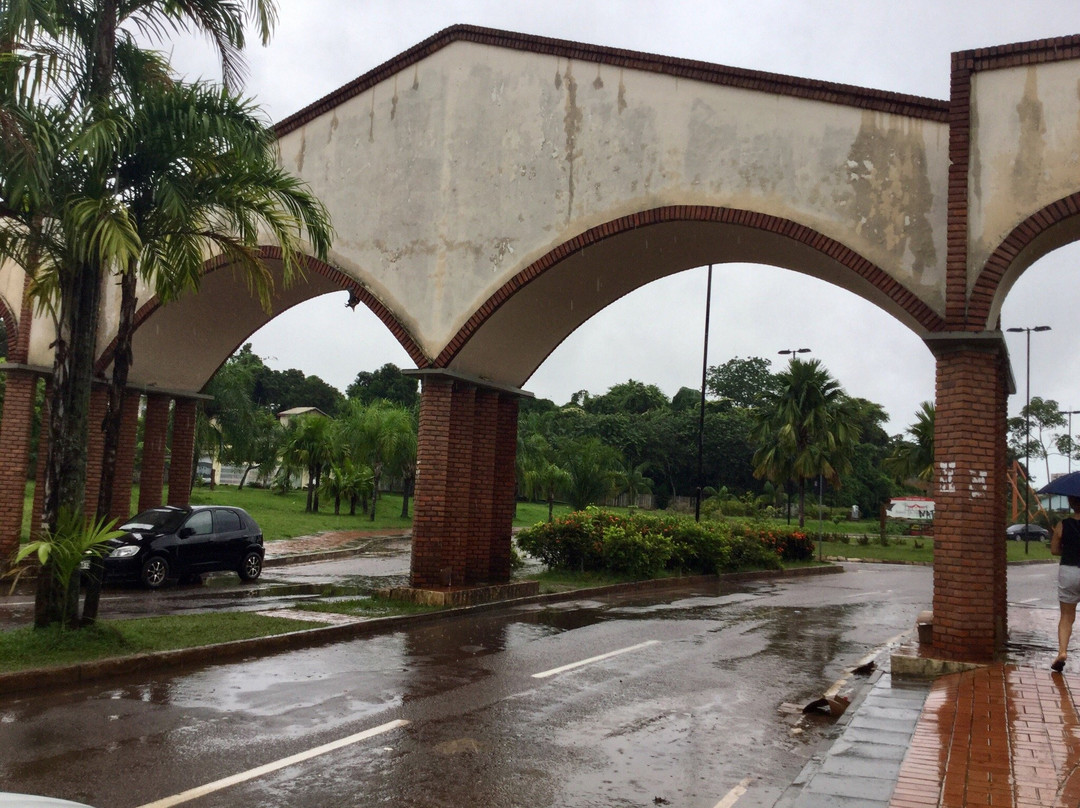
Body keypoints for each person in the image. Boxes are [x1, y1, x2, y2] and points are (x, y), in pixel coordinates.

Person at [1050, 495, 1080, 672]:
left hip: (1069, 571)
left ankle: (1062, 652)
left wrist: (1065, 546)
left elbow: (1054, 550)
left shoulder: (1063, 525)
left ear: (1071, 503)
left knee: (1067, 616)